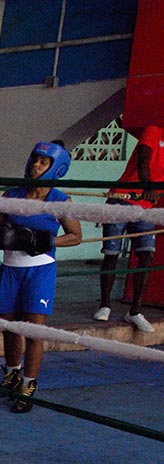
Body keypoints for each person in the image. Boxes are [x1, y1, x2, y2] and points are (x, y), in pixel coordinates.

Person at [0, 141, 82, 413]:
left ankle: (28, 385)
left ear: (56, 167)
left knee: (34, 330)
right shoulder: (11, 196)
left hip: (39, 270)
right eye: (35, 159)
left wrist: (46, 240)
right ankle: (12, 374)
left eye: (43, 162)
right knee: (9, 327)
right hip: (10, 268)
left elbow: (76, 236)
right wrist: (6, 236)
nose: (35, 165)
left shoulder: (61, 202)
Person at [93, 119, 162, 333]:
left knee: (146, 255)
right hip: (122, 197)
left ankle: (135, 311)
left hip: (146, 206)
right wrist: (146, 184)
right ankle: (104, 305)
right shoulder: (153, 129)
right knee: (111, 253)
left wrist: (154, 192)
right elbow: (143, 158)